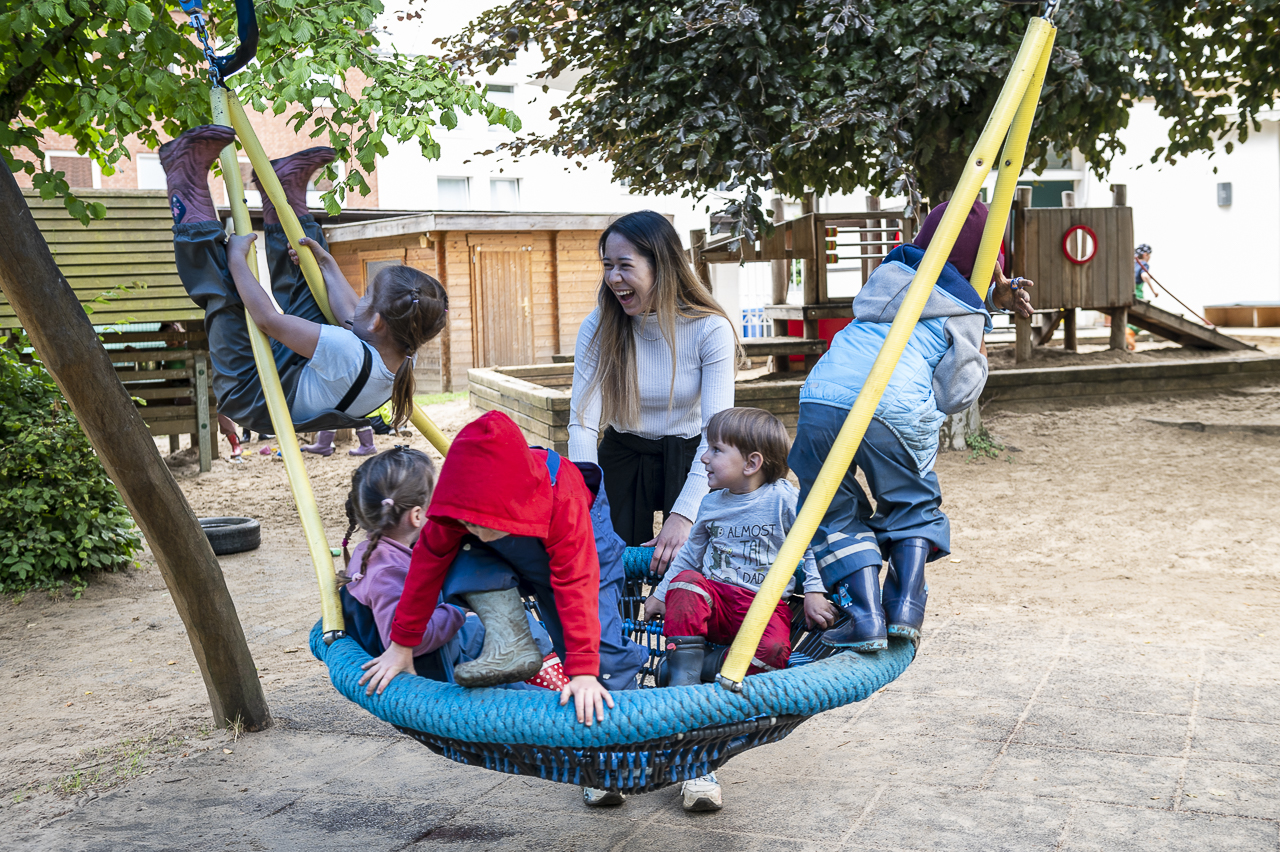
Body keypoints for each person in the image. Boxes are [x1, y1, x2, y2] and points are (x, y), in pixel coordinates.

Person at [791, 199, 1033, 652]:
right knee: (910, 500)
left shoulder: (888, 279)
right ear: (993, 266)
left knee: (828, 505)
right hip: (890, 404)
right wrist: (980, 334)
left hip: (822, 395)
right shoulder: (963, 313)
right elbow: (956, 392)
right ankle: (903, 606)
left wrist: (986, 302)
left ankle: (863, 615)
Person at [161, 124, 447, 437]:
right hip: (298, 377)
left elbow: (267, 320)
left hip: (253, 396)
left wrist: (236, 260)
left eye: (367, 296)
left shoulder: (345, 351)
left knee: (230, 297)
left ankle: (182, 176)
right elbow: (350, 314)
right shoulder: (404, 348)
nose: (359, 299)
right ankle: (280, 191)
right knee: (315, 284)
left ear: (378, 321)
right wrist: (325, 262)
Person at [357, 411, 647, 716]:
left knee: (600, 652)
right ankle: (509, 638)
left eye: (486, 525)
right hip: (518, 548)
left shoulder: (563, 498)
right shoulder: (459, 506)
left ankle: (629, 719)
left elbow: (576, 584)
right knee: (463, 549)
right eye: (470, 523)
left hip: (585, 551)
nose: (480, 533)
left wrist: (585, 672)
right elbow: (425, 569)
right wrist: (402, 645)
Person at [641, 407, 836, 813]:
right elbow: (689, 557)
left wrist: (814, 592)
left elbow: (810, 544)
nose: (704, 459)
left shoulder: (783, 498)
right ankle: (683, 688)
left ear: (752, 463)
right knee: (687, 585)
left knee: (775, 652)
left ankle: (688, 669)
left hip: (762, 607)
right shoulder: (711, 505)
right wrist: (661, 593)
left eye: (715, 450)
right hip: (715, 602)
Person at [568, 210, 738, 576]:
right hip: (623, 452)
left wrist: (684, 514)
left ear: (661, 266)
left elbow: (716, 432)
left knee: (691, 568)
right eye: (607, 265)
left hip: (693, 453)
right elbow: (582, 422)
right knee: (607, 569)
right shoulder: (598, 326)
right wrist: (589, 499)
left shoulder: (709, 329)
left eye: (625, 266)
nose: (614, 278)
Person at [339, 446, 567, 690]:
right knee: (520, 644)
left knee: (515, 625)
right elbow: (405, 641)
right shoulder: (387, 572)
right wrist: (457, 610)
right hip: (446, 662)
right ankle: (554, 691)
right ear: (417, 516)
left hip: (448, 641)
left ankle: (544, 673)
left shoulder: (372, 551)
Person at [1128, 244, 1159, 350]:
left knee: (1129, 315)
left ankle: (1127, 335)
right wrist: (1154, 291)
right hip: (1137, 292)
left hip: (1128, 290)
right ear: (1145, 255)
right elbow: (1144, 276)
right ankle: (1128, 333)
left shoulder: (1133, 263)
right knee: (1141, 318)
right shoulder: (1143, 264)